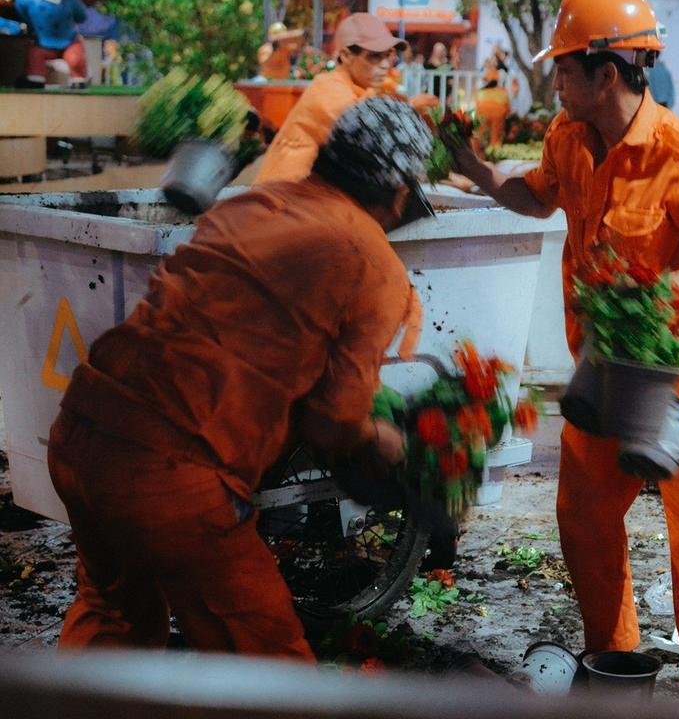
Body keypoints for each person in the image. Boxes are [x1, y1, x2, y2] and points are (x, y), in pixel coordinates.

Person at [444, 0, 679, 696]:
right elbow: (537, 195)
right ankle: (616, 666)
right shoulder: (569, 137)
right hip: (604, 369)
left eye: (563, 69)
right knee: (584, 518)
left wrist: (664, 290)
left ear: (606, 73)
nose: (554, 82)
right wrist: (477, 172)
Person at [47, 97, 435, 659]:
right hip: (168, 476)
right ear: (400, 193)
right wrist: (391, 443)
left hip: (81, 437)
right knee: (264, 662)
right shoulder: (372, 261)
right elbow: (333, 423)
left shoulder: (252, 203)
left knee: (114, 620)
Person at [254, 13, 407, 185]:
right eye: (374, 56)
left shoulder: (360, 89)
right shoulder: (330, 91)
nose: (385, 64)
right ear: (346, 55)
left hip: (308, 196)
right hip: (285, 199)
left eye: (388, 55)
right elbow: (375, 141)